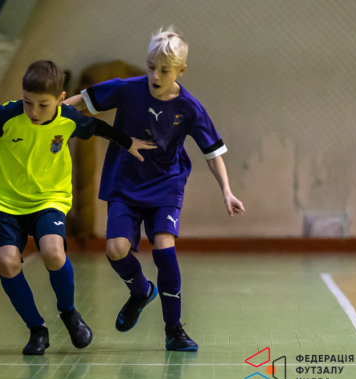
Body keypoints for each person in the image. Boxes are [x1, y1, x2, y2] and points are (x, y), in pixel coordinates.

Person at [65, 28, 245, 351]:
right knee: (115, 249)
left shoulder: (190, 108)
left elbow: (213, 153)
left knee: (164, 249)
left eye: (164, 70)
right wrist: (52, 111)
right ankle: (140, 292)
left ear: (181, 71)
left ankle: (174, 330)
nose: (155, 75)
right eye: (150, 67)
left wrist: (227, 191)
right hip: (125, 180)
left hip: (165, 183)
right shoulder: (128, 90)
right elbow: (83, 101)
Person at [0, 60, 156, 355]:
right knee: (7, 262)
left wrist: (126, 142)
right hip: (6, 202)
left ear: (60, 99)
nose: (34, 111)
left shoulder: (68, 118)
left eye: (43, 105)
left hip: (49, 199)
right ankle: (37, 329)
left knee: (54, 253)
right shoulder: (7, 114)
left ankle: (69, 312)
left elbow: (96, 127)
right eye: (28, 102)